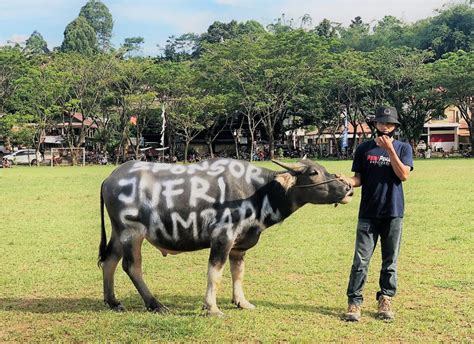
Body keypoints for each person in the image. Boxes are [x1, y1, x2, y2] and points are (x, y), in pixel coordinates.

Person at [344, 106, 413, 322]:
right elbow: (359, 179)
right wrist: (346, 181)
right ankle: (354, 302)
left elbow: (403, 175)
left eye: (390, 124)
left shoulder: (403, 148)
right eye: (383, 123)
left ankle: (385, 298)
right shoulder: (364, 149)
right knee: (360, 260)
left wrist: (390, 150)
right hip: (368, 213)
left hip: (393, 212)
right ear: (376, 124)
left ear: (395, 127)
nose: (386, 127)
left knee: (390, 261)